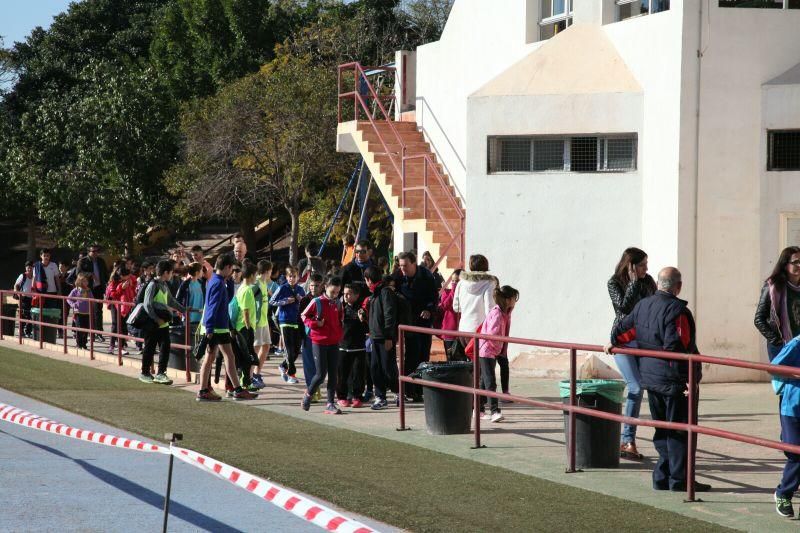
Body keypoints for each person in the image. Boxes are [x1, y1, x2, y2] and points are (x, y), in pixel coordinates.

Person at [605, 267, 710, 493]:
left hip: (651, 378)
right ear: (678, 286)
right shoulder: (678, 311)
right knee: (680, 431)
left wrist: (612, 344)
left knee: (662, 429)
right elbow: (679, 348)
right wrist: (688, 379)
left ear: (659, 284)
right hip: (674, 380)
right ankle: (679, 480)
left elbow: (621, 333)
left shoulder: (642, 306)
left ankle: (662, 477)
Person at [608, 247, 657, 460]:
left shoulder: (649, 282)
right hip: (623, 341)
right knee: (635, 386)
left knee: (652, 386)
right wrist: (634, 283)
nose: (646, 268)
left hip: (645, 341)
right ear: (631, 266)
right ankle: (627, 440)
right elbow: (623, 310)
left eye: (647, 264)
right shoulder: (614, 282)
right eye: (642, 265)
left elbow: (654, 308)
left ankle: (664, 442)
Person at [196, 253, 257, 401]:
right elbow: (212, 306)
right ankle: (206, 390)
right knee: (215, 358)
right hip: (216, 327)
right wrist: (210, 328)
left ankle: (234, 389)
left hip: (218, 327)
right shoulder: (217, 283)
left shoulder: (216, 281)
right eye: (232, 269)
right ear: (228, 267)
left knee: (225, 356)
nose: (233, 273)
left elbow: (227, 300)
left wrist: (229, 282)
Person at [393, 251, 440, 402]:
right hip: (407, 321)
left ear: (413, 263)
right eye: (400, 266)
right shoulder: (398, 276)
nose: (403, 269)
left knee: (423, 355)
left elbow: (434, 297)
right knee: (411, 355)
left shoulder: (426, 276)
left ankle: (420, 389)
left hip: (423, 321)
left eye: (405, 265)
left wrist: (429, 309)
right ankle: (407, 389)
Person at [301, 276, 344, 414]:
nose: (335, 295)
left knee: (333, 374)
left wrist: (339, 334)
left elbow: (340, 319)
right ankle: (308, 395)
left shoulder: (338, 303)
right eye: (333, 292)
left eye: (337, 292)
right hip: (319, 341)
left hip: (334, 342)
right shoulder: (316, 302)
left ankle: (330, 403)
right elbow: (304, 316)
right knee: (320, 374)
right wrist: (315, 324)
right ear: (325, 287)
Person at [477, 285, 519, 423]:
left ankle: (478, 410)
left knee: (484, 382)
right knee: (490, 382)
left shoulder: (506, 313)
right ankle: (494, 411)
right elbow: (492, 335)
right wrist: (498, 349)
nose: (515, 301)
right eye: (514, 298)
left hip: (493, 350)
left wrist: (501, 350)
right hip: (487, 349)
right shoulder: (497, 313)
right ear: (507, 300)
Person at [140, 260, 185, 385]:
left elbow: (171, 301)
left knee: (165, 348)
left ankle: (161, 373)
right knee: (149, 348)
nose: (172, 275)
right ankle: (144, 372)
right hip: (153, 324)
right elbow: (147, 304)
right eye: (171, 272)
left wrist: (184, 310)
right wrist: (156, 319)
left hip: (163, 324)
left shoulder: (164, 285)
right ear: (166, 272)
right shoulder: (152, 285)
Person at [770, 336, 800, 518]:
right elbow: (773, 367)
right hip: (793, 408)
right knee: (796, 455)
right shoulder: (796, 344)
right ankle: (783, 494)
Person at [755, 246, 800, 362]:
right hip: (782, 347)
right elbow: (759, 319)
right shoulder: (773, 286)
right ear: (785, 265)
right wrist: (777, 341)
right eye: (796, 262)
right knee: (784, 380)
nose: (799, 265)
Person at [453, 254, 499, 365]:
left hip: (463, 330)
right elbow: (490, 309)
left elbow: (456, 307)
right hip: (479, 331)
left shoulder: (461, 283)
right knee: (481, 367)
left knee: (471, 366)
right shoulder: (489, 283)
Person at [364, 267, 399, 410]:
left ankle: (398, 392)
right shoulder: (374, 294)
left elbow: (389, 315)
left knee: (388, 367)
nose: (366, 283)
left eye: (366, 280)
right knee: (375, 368)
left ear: (369, 280)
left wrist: (389, 337)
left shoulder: (385, 292)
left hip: (384, 337)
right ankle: (380, 396)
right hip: (375, 336)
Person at [270, 266, 306, 384]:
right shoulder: (282, 288)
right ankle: (291, 374)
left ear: (298, 277)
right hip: (284, 321)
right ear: (286, 277)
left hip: (296, 321)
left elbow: (305, 305)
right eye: (290, 276)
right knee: (289, 350)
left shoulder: (300, 289)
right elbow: (272, 301)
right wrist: (285, 301)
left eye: (294, 276)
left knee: (296, 350)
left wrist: (301, 300)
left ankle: (283, 366)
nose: (292, 279)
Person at [337, 283, 370, 408]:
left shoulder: (362, 309)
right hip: (343, 346)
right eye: (344, 293)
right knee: (342, 374)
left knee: (358, 374)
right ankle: (342, 396)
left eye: (349, 293)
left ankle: (357, 396)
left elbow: (368, 328)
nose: (345, 296)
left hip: (359, 346)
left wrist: (363, 319)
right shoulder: (340, 308)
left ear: (356, 295)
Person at [298, 273, 324, 395]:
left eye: (317, 286)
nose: (313, 288)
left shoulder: (326, 300)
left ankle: (317, 387)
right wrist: (300, 337)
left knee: (321, 365)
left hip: (323, 337)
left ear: (322, 286)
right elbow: (299, 320)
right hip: (308, 336)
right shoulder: (305, 300)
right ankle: (312, 390)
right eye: (312, 285)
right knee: (309, 365)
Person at [107, 266, 136, 354]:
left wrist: (131, 286)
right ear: (122, 276)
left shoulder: (129, 281)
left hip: (125, 306)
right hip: (115, 305)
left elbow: (133, 293)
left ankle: (122, 346)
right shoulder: (113, 282)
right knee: (115, 325)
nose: (129, 277)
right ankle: (112, 345)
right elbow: (113, 295)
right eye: (127, 275)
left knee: (123, 326)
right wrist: (121, 288)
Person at [253, 260, 274, 377]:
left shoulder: (264, 283)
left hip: (264, 321)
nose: (271, 272)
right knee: (255, 349)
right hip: (257, 322)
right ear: (266, 271)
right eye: (270, 270)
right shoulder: (256, 284)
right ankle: (249, 376)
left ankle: (257, 373)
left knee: (266, 346)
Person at [87, 245, 108, 341]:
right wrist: (90, 274)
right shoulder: (84, 261)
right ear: (89, 252)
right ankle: (89, 332)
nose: (95, 253)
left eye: (97, 251)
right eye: (93, 251)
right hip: (88, 289)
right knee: (88, 311)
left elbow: (105, 274)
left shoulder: (101, 261)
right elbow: (79, 273)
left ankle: (99, 332)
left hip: (99, 288)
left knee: (98, 311)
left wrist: (106, 286)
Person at [438, 269, 462, 356]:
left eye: (457, 281)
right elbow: (445, 306)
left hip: (463, 331)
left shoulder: (466, 293)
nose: (454, 283)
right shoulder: (447, 292)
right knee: (451, 358)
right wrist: (453, 290)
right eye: (452, 281)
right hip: (449, 330)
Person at [176, 262, 204, 333]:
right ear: (197, 272)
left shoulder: (202, 283)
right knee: (189, 341)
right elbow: (178, 299)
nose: (202, 272)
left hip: (201, 317)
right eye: (201, 270)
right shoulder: (185, 284)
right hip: (189, 318)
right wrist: (182, 310)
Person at [67, 273, 92, 350]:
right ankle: (79, 344)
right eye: (83, 281)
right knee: (79, 328)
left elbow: (92, 299)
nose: (85, 283)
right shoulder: (75, 290)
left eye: (86, 281)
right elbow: (68, 299)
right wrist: (73, 304)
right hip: (78, 313)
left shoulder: (88, 290)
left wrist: (91, 301)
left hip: (87, 312)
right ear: (79, 281)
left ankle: (84, 344)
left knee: (86, 328)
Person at [14, 261, 34, 337]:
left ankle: (28, 331)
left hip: (32, 299)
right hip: (23, 298)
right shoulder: (23, 276)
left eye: (31, 267)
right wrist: (19, 295)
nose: (29, 268)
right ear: (25, 268)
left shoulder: (35, 276)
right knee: (24, 314)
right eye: (27, 267)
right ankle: (22, 330)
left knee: (30, 315)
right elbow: (16, 285)